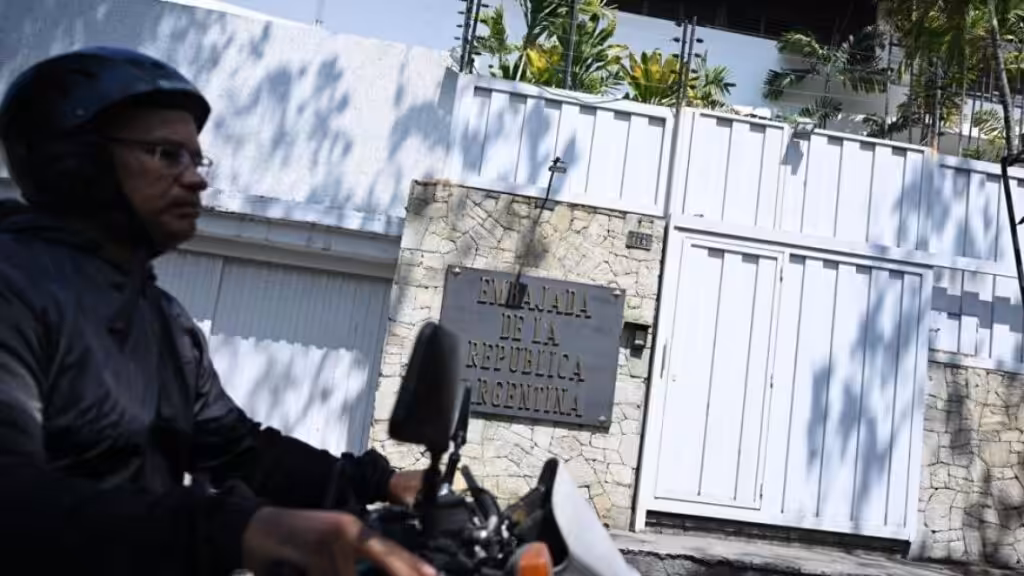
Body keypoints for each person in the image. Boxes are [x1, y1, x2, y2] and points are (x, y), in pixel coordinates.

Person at [0, 47, 436, 576]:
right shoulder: (15, 286)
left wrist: (380, 483)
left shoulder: (163, 321)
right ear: (78, 158)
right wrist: (235, 528)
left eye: (195, 158)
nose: (195, 178)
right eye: (165, 154)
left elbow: (239, 450)